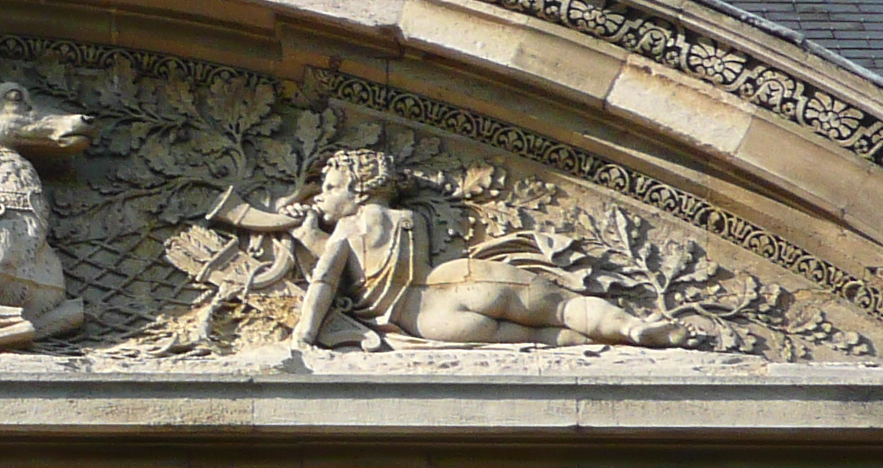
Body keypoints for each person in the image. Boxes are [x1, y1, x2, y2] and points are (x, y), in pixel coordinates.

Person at [209, 148, 684, 349]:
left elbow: (325, 282)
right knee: (560, 306)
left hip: (428, 319)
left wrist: (303, 336)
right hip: (457, 279)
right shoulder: (407, 217)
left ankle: (609, 340)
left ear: (357, 191)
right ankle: (633, 329)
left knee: (547, 342)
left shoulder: (345, 232)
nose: (320, 196)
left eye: (330, 187)